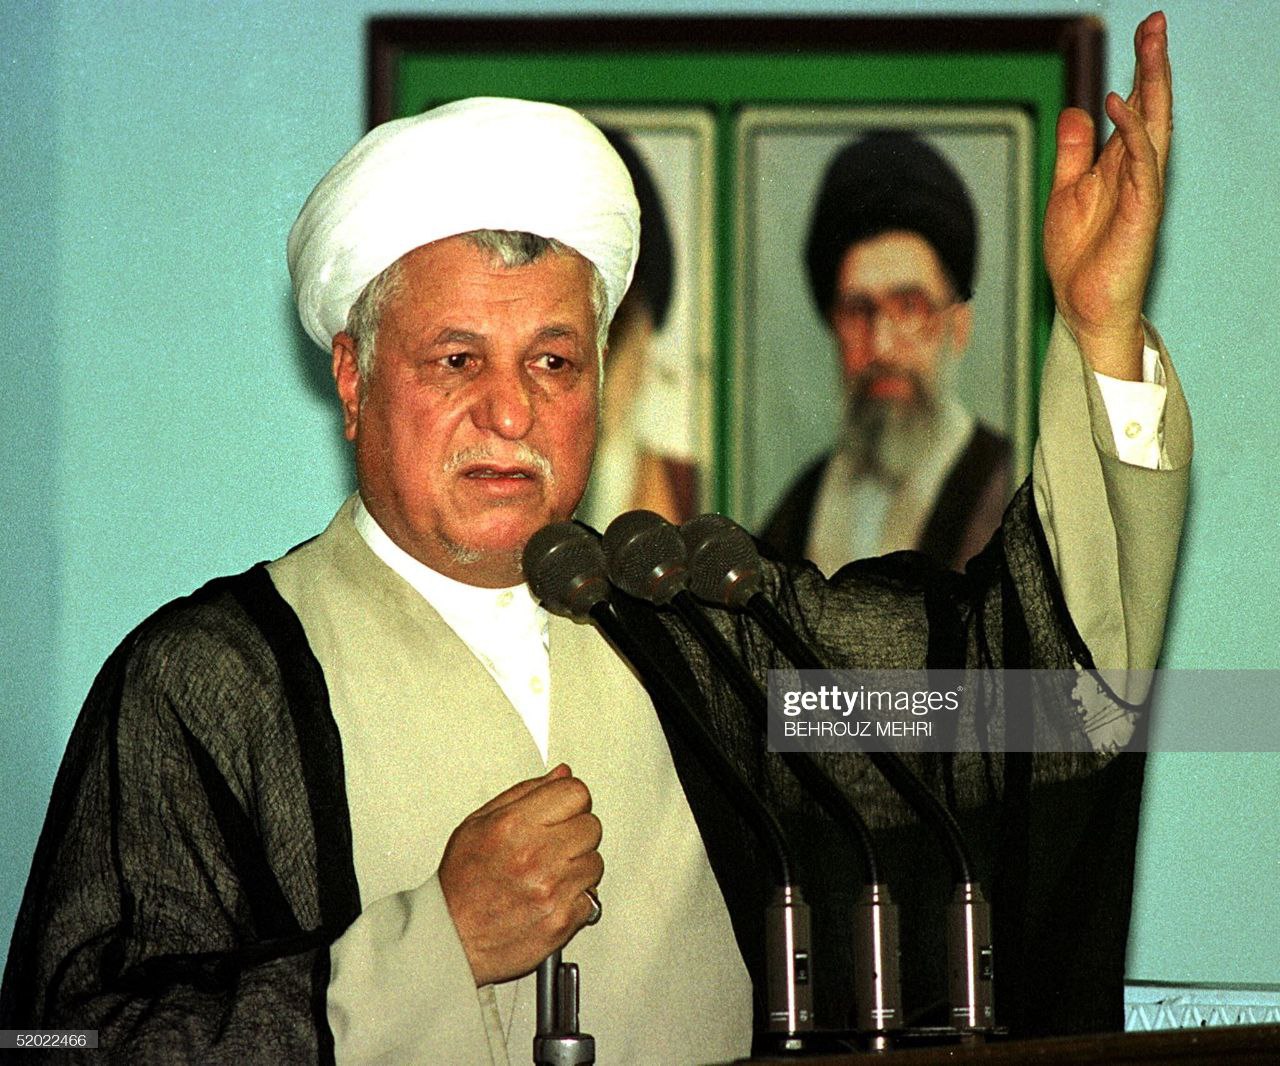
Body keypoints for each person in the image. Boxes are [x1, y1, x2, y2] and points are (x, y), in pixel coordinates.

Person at [1, 13, 1184, 1061]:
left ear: (603, 385)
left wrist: (1099, 329)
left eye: (553, 362)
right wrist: (428, 950)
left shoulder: (706, 633)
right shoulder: (210, 683)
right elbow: (58, 1038)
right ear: (354, 380)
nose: (510, 413)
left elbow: (1021, 702)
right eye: (455, 359)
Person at [760, 130, 1013, 574]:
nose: (881, 345)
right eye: (858, 310)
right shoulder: (798, 510)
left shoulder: (1007, 486)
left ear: (959, 325)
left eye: (910, 307)